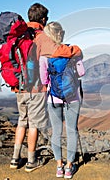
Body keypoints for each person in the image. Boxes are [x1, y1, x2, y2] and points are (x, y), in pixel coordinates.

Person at [40, 21, 85, 179]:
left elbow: (44, 80)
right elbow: (82, 72)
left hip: (54, 98)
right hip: (73, 97)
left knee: (56, 132)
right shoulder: (73, 51)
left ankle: (59, 166)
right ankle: (69, 167)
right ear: (62, 34)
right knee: (72, 131)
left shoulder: (45, 56)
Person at [9, 2, 50, 172]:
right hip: (36, 89)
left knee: (22, 121)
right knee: (34, 124)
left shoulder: (20, 36)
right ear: (43, 19)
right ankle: (31, 161)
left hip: (20, 87)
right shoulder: (42, 37)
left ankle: (15, 159)